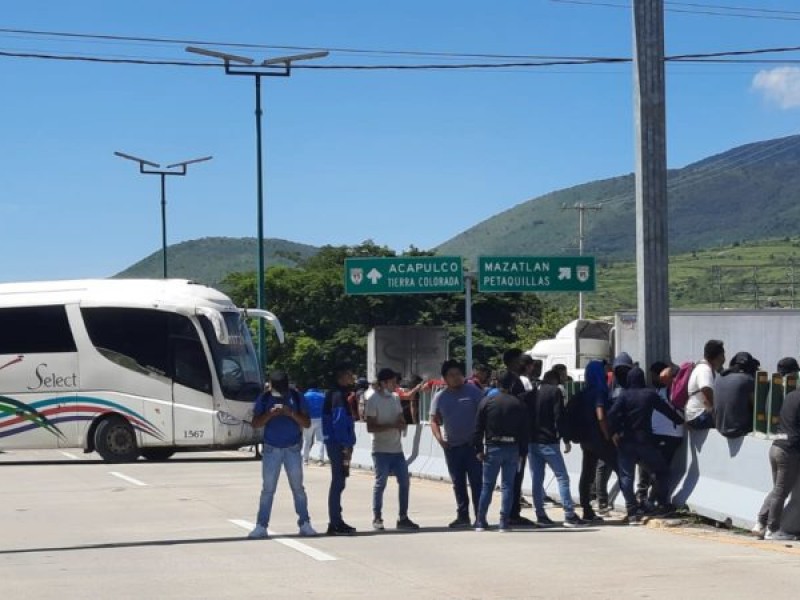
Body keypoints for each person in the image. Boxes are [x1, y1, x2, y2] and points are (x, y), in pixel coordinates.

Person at [608, 366, 684, 524]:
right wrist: (680, 421)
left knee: (626, 477)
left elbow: (611, 414)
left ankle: (632, 511)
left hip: (626, 441)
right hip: (645, 442)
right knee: (662, 471)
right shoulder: (649, 394)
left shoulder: (624, 395)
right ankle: (660, 502)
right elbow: (666, 410)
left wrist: (613, 432)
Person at [248, 371, 317, 539]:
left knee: (298, 489)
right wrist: (270, 414)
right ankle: (261, 525)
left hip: (292, 448)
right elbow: (255, 423)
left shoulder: (296, 396)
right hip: (272, 448)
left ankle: (305, 523)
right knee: (268, 490)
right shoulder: (265, 398)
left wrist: (290, 413)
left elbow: (307, 423)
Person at [430, 359, 485, 528]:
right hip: (452, 448)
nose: (455, 378)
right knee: (458, 483)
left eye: (458, 374)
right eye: (450, 375)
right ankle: (462, 516)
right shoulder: (440, 397)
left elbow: (485, 414)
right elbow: (433, 420)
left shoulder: (474, 392)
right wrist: (440, 439)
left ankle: (480, 517)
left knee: (477, 483)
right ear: (444, 378)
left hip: (473, 447)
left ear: (463, 375)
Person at [473, 371, 530, 532]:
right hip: (512, 448)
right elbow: (524, 431)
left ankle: (480, 520)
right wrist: (523, 452)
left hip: (492, 447)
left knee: (487, 486)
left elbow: (478, 428)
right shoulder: (519, 404)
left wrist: (478, 448)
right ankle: (504, 522)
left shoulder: (487, 401)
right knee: (508, 486)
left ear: (497, 382)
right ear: (512, 384)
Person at [528, 370, 586, 527]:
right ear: (555, 379)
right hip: (549, 441)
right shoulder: (555, 392)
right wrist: (566, 439)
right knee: (562, 477)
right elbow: (558, 416)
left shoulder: (533, 392)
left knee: (537, 479)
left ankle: (540, 515)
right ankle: (569, 514)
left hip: (532, 442)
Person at [365, 368, 420, 532]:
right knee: (380, 483)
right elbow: (370, 427)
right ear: (384, 383)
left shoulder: (395, 398)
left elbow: (399, 417)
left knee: (404, 482)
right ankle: (377, 516)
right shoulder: (372, 399)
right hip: (380, 449)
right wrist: (391, 426)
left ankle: (403, 517)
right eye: (393, 381)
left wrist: (401, 422)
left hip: (397, 449)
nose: (396, 384)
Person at [752, 385, 800, 541]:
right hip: (790, 451)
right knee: (781, 491)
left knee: (778, 489)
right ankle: (773, 530)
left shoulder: (791, 395)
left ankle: (760, 523)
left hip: (776, 446)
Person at [575, 359, 619, 523]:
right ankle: (632, 506)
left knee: (586, 474)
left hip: (585, 439)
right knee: (621, 469)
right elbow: (600, 415)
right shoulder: (600, 391)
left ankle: (586, 510)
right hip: (599, 438)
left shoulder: (583, 392)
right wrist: (608, 434)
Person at [636, 362, 684, 507]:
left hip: (668, 435)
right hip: (659, 435)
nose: (652, 378)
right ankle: (649, 499)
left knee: (659, 470)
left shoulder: (672, 390)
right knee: (657, 470)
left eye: (653, 375)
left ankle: (652, 500)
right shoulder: (656, 392)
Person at [502, 348, 537, 526]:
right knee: (515, 476)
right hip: (516, 436)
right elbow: (517, 405)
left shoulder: (509, 380)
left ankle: (511, 511)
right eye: (519, 360)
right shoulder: (514, 381)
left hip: (509, 435)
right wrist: (532, 396)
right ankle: (512, 513)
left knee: (513, 477)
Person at [323, 364, 358, 536]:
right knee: (338, 482)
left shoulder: (338, 395)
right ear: (341, 378)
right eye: (350, 375)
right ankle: (335, 522)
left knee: (340, 481)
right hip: (338, 444)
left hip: (338, 443)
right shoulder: (337, 396)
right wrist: (346, 443)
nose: (353, 379)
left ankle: (337, 520)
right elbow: (338, 421)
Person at [714, 352, 759, 438]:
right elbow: (757, 406)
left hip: (719, 428)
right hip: (738, 430)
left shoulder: (719, 377)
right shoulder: (747, 379)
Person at [685, 339, 725, 430]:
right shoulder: (705, 370)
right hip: (698, 416)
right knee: (730, 419)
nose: (724, 360)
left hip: (696, 415)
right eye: (723, 355)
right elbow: (706, 389)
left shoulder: (702, 367)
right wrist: (715, 410)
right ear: (718, 356)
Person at [302, 386, 326, 465]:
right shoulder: (322, 396)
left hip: (308, 419)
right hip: (320, 419)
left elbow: (302, 408)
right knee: (320, 440)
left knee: (307, 440)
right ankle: (321, 460)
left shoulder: (305, 396)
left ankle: (305, 459)